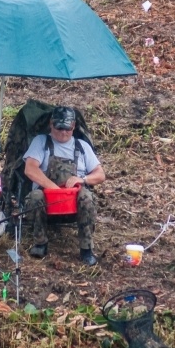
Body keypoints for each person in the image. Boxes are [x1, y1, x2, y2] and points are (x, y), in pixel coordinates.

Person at [23, 106, 105, 265]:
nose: (63, 132)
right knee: (35, 196)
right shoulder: (41, 142)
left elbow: (100, 175)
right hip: (48, 199)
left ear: (73, 126)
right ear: (51, 124)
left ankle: (86, 249)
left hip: (73, 201)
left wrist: (83, 179)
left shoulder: (82, 146)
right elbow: (30, 169)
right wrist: (54, 189)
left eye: (67, 128)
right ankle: (40, 243)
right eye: (59, 128)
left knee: (87, 197)